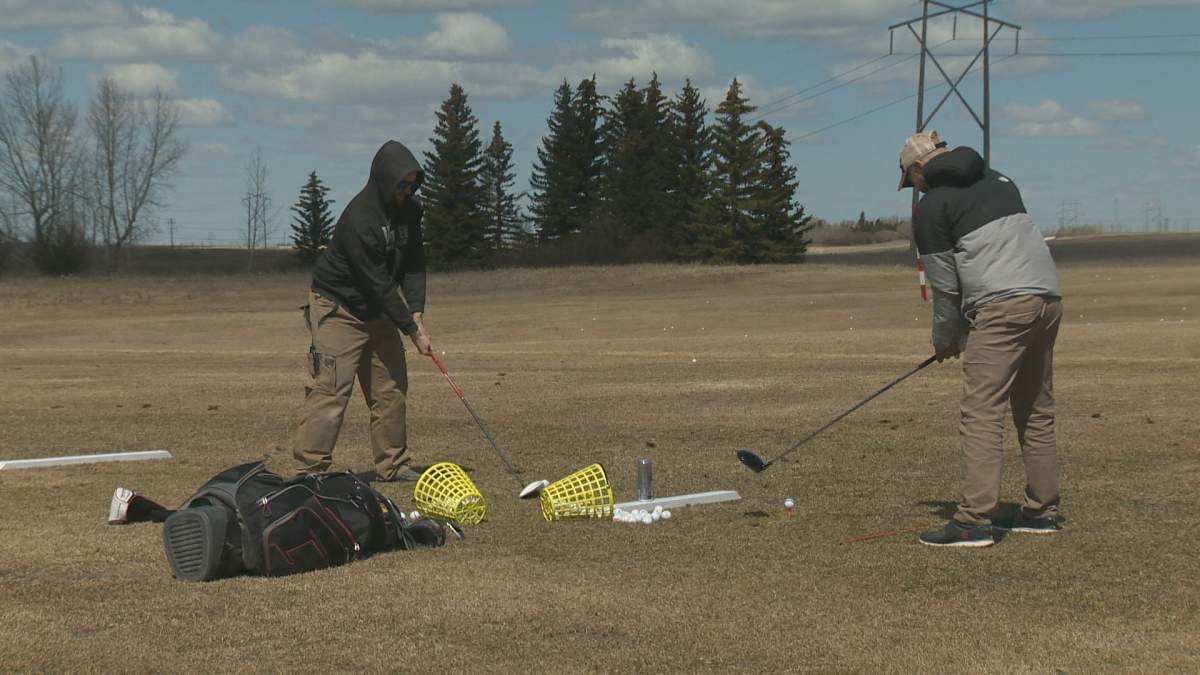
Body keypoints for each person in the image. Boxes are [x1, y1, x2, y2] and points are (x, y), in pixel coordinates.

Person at [898, 131, 1064, 547]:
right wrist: (965, 329)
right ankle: (1042, 512)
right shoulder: (999, 179)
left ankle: (973, 521)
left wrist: (945, 339)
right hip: (1047, 300)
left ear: (919, 169)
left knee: (982, 412)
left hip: (1004, 307)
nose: (913, 188)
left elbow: (946, 290)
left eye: (910, 179)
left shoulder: (931, 206)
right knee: (1035, 409)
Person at [293, 140, 433, 482]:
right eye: (402, 184)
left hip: (380, 313)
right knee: (330, 391)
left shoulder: (411, 212)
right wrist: (412, 331)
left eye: (413, 183)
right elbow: (377, 283)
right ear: (384, 180)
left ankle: (394, 464)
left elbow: (414, 264)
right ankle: (309, 471)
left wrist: (416, 312)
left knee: (391, 390)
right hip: (338, 308)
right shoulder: (359, 219)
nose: (408, 190)